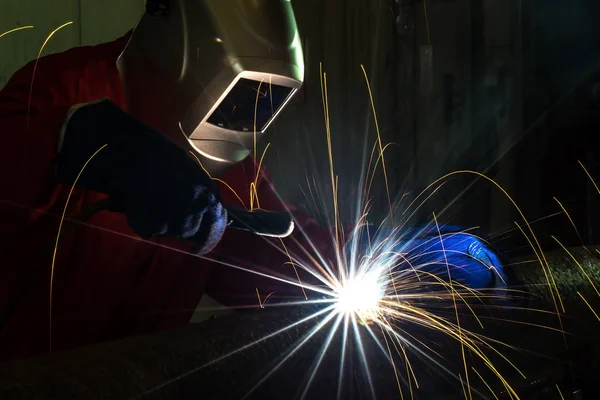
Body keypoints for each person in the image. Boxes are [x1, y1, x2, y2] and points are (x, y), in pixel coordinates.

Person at [0, 0, 504, 362]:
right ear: (182, 58)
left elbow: (280, 259)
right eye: (243, 96)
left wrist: (388, 257)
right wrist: (63, 142)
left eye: (266, 101)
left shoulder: (227, 163)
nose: (248, 121)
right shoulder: (57, 93)